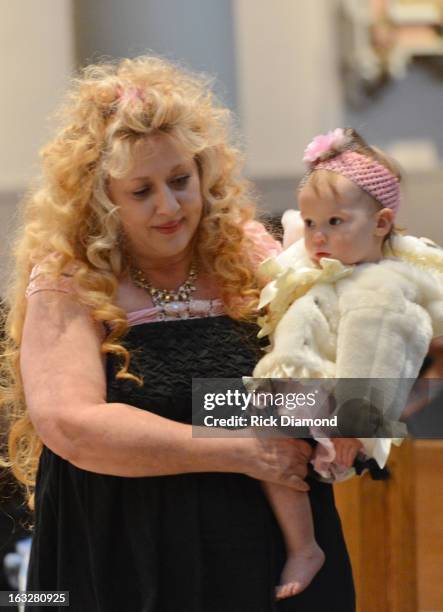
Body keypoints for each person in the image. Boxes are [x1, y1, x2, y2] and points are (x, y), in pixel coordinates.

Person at [0, 57, 356, 611]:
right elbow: (71, 425)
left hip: (272, 555)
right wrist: (240, 441)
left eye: (180, 180)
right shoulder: (68, 277)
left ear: (204, 171)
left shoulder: (251, 251)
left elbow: (348, 395)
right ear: (101, 199)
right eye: (141, 191)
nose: (169, 207)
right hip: (125, 552)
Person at [252, 127, 443, 600]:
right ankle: (302, 544)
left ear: (380, 224)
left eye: (335, 222)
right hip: (306, 392)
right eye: (313, 224)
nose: (319, 236)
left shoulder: (378, 289)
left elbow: (374, 361)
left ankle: (304, 546)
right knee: (257, 441)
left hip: (337, 408)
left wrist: (353, 427)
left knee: (250, 430)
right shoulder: (326, 267)